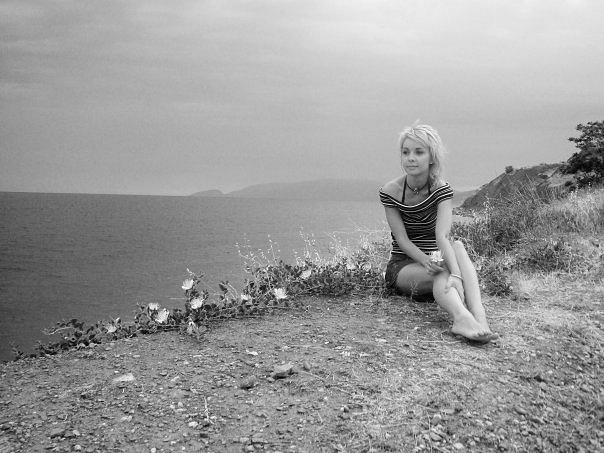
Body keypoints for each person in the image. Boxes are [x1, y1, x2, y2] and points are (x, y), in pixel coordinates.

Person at [379, 122, 496, 343]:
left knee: (458, 247)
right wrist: (427, 262)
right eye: (405, 152)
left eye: (418, 152)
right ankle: (461, 319)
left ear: (432, 157)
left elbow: (442, 237)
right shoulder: (390, 191)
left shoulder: (441, 190)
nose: (410, 158)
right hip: (403, 266)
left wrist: (456, 274)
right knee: (440, 272)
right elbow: (402, 240)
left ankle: (479, 317)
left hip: (434, 258)